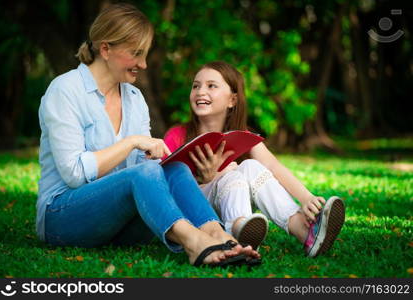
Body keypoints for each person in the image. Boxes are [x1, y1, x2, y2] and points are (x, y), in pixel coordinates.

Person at [36, 4, 260, 267]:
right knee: (142, 173)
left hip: (118, 222)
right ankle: (195, 243)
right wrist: (130, 142)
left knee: (172, 168)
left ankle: (219, 236)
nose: (142, 64)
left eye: (145, 54)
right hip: (63, 217)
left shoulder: (133, 98)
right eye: (136, 54)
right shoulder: (65, 90)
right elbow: (74, 174)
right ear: (105, 49)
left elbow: (149, 169)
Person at [163, 61, 345, 257]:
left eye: (211, 86)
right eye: (196, 86)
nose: (200, 91)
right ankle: (236, 231)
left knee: (250, 166)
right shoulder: (177, 135)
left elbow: (272, 165)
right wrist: (210, 178)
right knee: (231, 175)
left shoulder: (242, 135)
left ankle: (301, 228)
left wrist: (306, 198)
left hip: (230, 202)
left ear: (232, 100)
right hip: (198, 216)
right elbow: (165, 188)